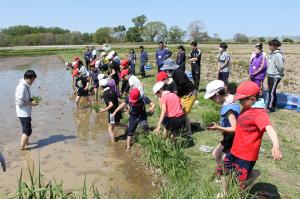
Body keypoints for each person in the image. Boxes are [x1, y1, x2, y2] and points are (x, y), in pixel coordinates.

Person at [218, 81, 282, 196]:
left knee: (240, 180)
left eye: (241, 100)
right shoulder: (247, 107)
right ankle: (224, 193)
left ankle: (240, 191)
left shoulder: (259, 113)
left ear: (252, 99)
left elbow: (270, 129)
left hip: (246, 155)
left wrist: (276, 146)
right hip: (235, 149)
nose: (239, 102)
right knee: (225, 170)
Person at [204, 80, 240, 167]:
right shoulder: (230, 98)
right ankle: (223, 173)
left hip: (231, 137)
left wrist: (218, 127)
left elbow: (234, 128)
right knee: (219, 154)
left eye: (212, 98)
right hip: (230, 136)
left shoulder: (228, 109)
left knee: (218, 154)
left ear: (217, 95)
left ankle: (224, 174)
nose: (212, 101)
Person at [161, 59, 197, 135]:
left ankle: (188, 131)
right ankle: (183, 128)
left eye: (166, 70)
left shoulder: (178, 73)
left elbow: (182, 85)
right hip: (184, 94)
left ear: (170, 69)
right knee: (181, 112)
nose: (166, 72)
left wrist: (175, 93)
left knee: (183, 113)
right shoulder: (174, 73)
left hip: (189, 94)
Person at [15, 70, 39, 150]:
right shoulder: (21, 87)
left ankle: (26, 142)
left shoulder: (26, 85)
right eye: (31, 80)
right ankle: (22, 146)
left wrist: (32, 100)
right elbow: (19, 101)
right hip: (23, 113)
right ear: (26, 78)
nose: (32, 81)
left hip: (26, 112)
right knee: (27, 130)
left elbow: (26, 98)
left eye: (33, 80)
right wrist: (30, 103)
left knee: (26, 128)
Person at [266, 39, 284, 112]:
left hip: (275, 76)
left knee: (271, 92)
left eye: (270, 45)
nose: (269, 46)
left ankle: (270, 108)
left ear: (274, 46)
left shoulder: (278, 55)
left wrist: (281, 73)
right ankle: (273, 105)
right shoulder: (272, 54)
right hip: (270, 75)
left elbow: (281, 67)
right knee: (272, 91)